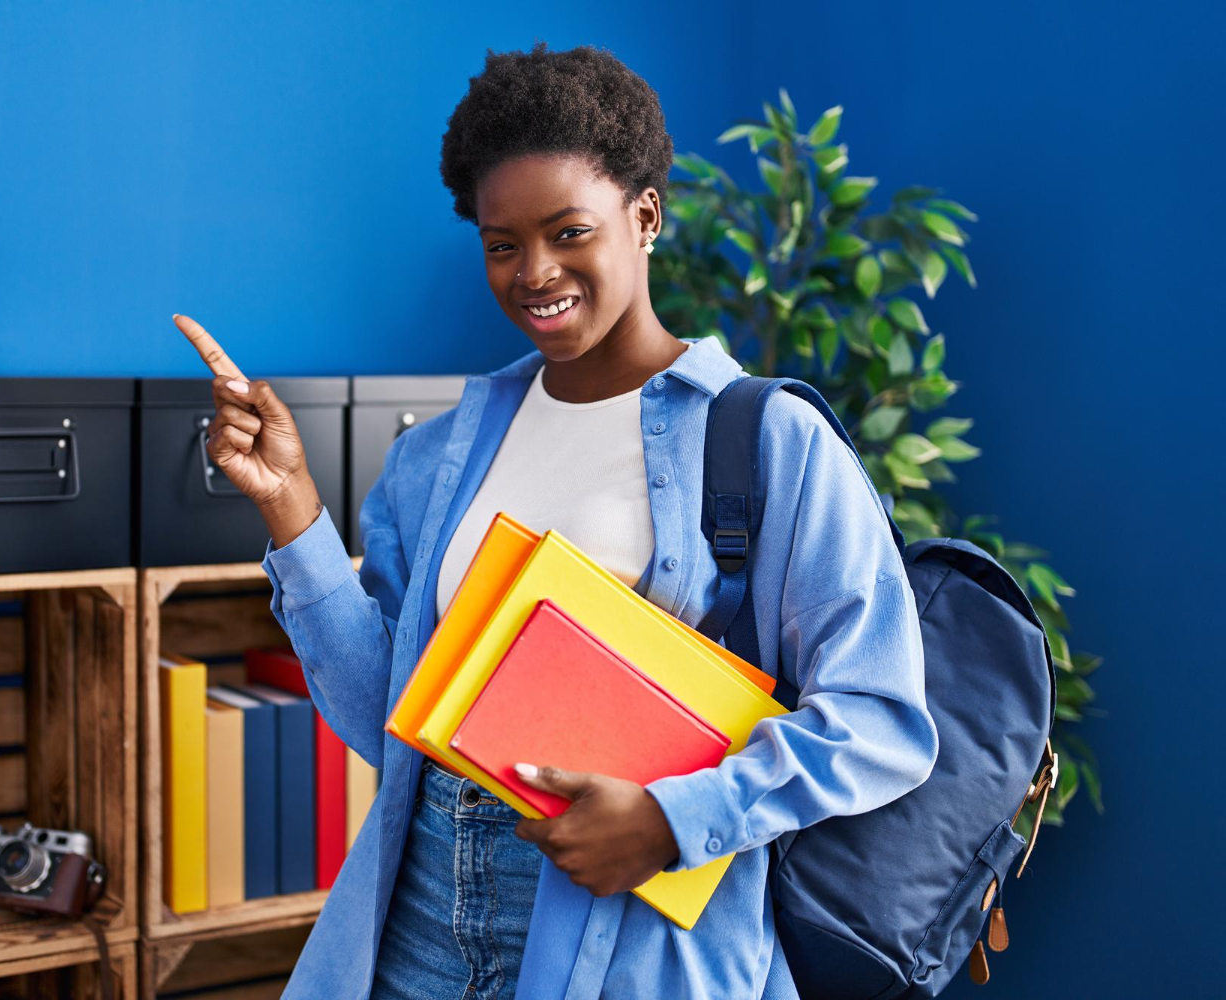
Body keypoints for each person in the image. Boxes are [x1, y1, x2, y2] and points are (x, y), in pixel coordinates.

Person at [175, 40, 938, 1000]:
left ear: (645, 215)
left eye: (568, 231)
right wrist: (291, 510)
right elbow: (390, 721)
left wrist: (671, 819)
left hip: (635, 944)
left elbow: (881, 720)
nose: (534, 272)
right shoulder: (439, 455)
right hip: (415, 929)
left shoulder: (768, 439)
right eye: (503, 244)